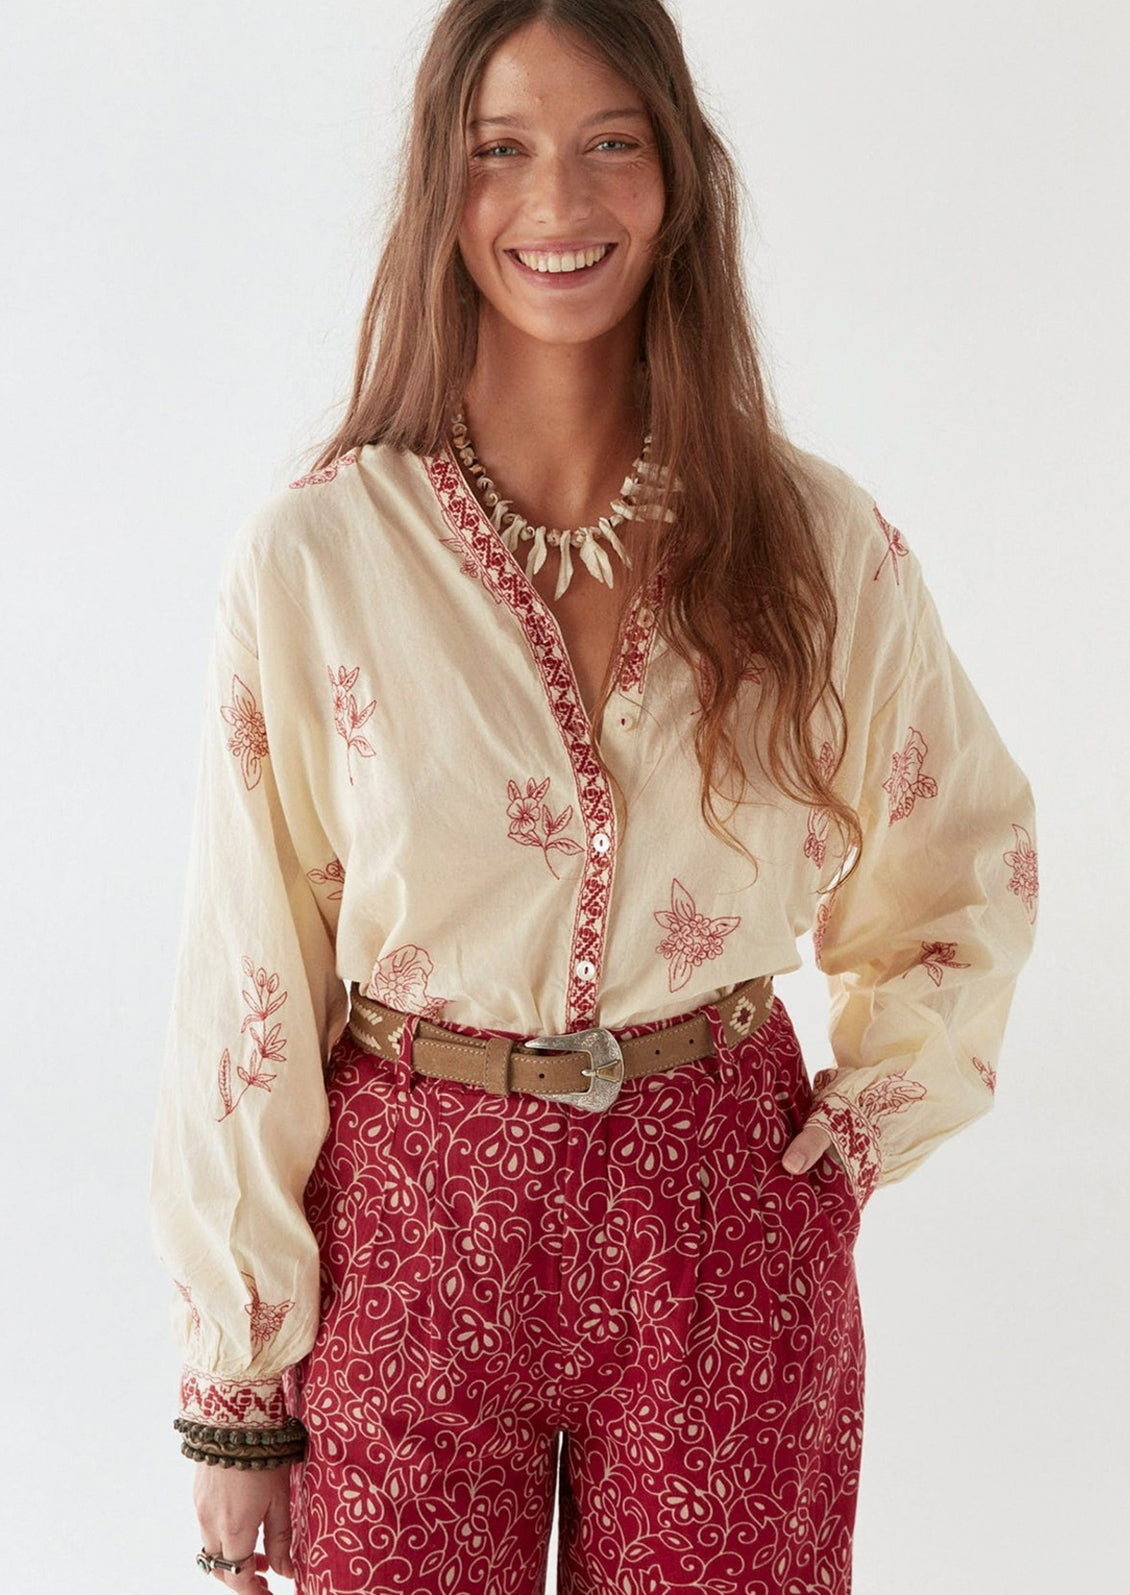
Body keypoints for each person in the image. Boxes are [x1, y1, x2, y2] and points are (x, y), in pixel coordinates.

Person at [147, 2, 1038, 1591]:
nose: (556, 201)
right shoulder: (317, 558)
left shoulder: (813, 543)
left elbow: (963, 871)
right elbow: (248, 975)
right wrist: (236, 1385)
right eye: (500, 150)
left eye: (608, 143)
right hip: (411, 1226)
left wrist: (856, 1133)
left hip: (721, 1214)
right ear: (442, 187)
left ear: (677, 175)